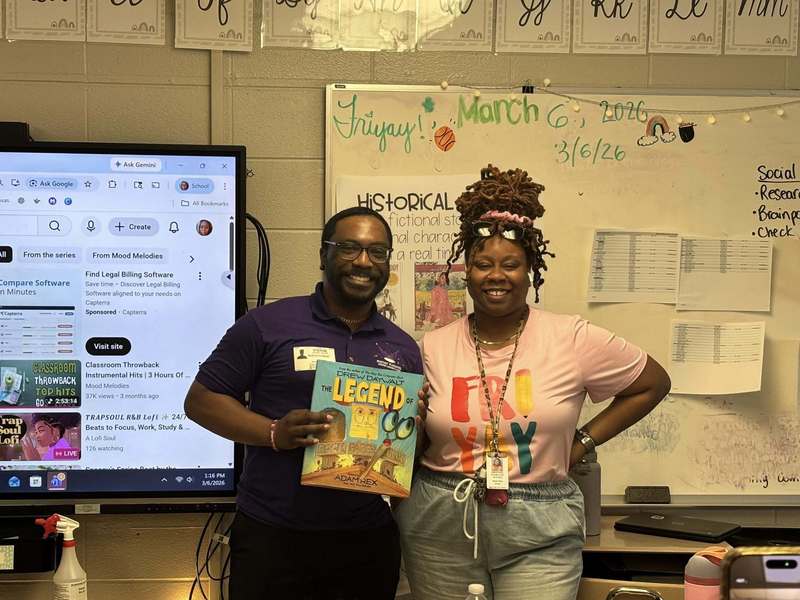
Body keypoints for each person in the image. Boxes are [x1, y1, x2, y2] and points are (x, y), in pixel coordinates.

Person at [395, 165, 671, 600]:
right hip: (439, 523)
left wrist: (582, 442)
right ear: (467, 271)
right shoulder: (433, 346)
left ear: (530, 271)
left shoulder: (572, 337)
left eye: (510, 264)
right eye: (483, 264)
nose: (496, 275)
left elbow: (652, 383)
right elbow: (415, 441)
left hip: (539, 522)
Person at [184, 206, 423, 600]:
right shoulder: (267, 325)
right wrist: (273, 432)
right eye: (349, 248)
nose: (363, 262)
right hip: (273, 537)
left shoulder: (402, 347)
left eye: (377, 252)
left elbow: (409, 455)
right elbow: (201, 401)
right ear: (323, 255)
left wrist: (416, 422)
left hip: (365, 542)